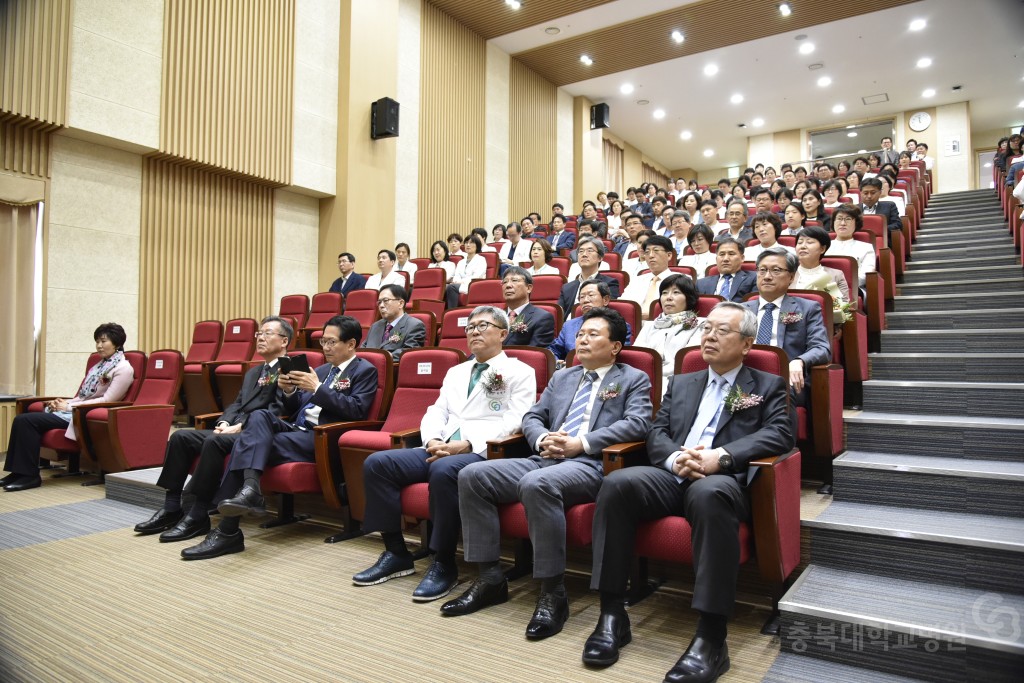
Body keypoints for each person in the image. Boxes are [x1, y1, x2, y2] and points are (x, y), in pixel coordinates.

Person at [582, 302, 793, 679]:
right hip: (672, 473)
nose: (709, 336)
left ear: (746, 344)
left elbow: (779, 434)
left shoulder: (766, 385)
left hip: (721, 479)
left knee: (708, 494)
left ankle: (712, 638)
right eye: (707, 329)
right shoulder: (682, 382)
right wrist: (674, 458)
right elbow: (656, 432)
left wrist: (722, 457)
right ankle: (612, 613)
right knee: (616, 484)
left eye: (721, 331)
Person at [442, 308, 651, 637]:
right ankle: (491, 579)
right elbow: (532, 416)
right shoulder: (563, 377)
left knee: (536, 483)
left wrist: (581, 443)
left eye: (593, 334)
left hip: (591, 465)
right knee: (472, 475)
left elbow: (639, 423)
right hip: (545, 457)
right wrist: (541, 438)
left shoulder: (632, 378)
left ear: (615, 347)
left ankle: (553, 593)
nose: (582, 338)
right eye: (581, 333)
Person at [353, 307, 536, 601]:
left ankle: (443, 561)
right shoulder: (457, 371)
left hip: (484, 450)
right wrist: (434, 440)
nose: (474, 331)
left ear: (503, 333)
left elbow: (516, 419)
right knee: (378, 463)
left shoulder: (520, 371)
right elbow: (436, 411)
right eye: (470, 327)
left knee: (444, 471)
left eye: (483, 326)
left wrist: (468, 444)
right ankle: (396, 553)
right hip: (442, 446)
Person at [181, 315, 379, 560]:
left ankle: (228, 530)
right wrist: (289, 389)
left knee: (245, 441)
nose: (325, 348)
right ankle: (250, 490)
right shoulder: (321, 370)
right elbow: (296, 406)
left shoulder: (365, 370)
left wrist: (317, 388)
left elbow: (356, 410)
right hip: (296, 429)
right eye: (323, 342)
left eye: (331, 342)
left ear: (351, 344)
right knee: (260, 416)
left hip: (321, 438)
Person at [133, 316, 289, 539]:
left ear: (284, 341)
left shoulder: (289, 369)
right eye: (259, 334)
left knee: (213, 441)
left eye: (267, 333)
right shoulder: (254, 371)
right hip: (234, 428)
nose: (261, 338)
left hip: (257, 435)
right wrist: (225, 422)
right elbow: (237, 403)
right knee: (180, 438)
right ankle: (171, 506)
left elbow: (280, 410)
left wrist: (240, 426)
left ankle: (198, 514)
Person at [2, 323, 134, 492]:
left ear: (116, 343)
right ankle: (18, 473)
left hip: (85, 415)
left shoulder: (124, 369)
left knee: (26, 421)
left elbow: (108, 400)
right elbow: (83, 395)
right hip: (76, 409)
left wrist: (69, 407)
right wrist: (63, 403)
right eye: (97, 341)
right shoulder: (99, 366)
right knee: (22, 419)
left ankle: (30, 477)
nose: (99, 345)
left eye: (103, 341)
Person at [742, 248, 832, 406]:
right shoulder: (740, 310)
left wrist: (799, 361)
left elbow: (821, 347)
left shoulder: (808, 308)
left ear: (791, 276)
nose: (767, 276)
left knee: (776, 396)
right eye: (762, 270)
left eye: (776, 270)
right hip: (743, 375)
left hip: (784, 378)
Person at [633, 275, 706, 397]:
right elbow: (638, 357)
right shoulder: (649, 325)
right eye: (664, 293)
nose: (668, 298)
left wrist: (655, 374)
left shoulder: (701, 325)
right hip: (642, 379)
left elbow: (687, 360)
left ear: (689, 298)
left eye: (676, 292)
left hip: (676, 381)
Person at [548, 280, 632, 360]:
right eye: (582, 297)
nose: (585, 300)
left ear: (605, 300)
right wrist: (557, 362)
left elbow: (621, 356)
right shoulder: (569, 325)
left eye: (591, 295)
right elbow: (554, 350)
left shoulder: (617, 325)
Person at [794, 226, 851, 323]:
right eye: (799, 242)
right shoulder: (786, 274)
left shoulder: (836, 275)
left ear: (822, 249)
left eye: (809, 242)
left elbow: (844, 308)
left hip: (823, 324)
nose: (802, 246)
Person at [559, 236, 620, 318]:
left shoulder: (609, 283)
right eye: (581, 251)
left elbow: (608, 314)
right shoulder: (567, 288)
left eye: (590, 251)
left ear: (600, 258)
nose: (584, 254)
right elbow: (559, 317)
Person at [362, 284, 426, 361]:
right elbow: (363, 351)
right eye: (379, 302)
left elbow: (407, 353)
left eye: (385, 301)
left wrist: (377, 360)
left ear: (401, 303)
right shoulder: (375, 326)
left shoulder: (415, 326)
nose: (381, 306)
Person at [620, 235, 675, 319]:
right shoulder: (637, 280)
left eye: (656, 251)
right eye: (647, 252)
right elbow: (623, 304)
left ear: (669, 255)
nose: (651, 255)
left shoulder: (679, 280)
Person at [501, 267, 555, 347]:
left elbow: (535, 355)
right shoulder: (495, 316)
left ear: (529, 288)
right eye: (505, 282)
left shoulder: (542, 317)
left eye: (514, 280)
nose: (508, 285)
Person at [826, 204, 875, 287]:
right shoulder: (822, 247)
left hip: (853, 289)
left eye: (848, 219)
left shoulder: (866, 248)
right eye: (839, 218)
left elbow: (864, 276)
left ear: (856, 224)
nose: (843, 223)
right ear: (833, 222)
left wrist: (841, 286)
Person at [696, 238, 757, 303]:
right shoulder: (700, 284)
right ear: (716, 259)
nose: (725, 259)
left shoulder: (754, 278)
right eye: (722, 254)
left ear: (742, 258)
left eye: (731, 254)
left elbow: (753, 305)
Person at [445, 235, 487, 308]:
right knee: (446, 287)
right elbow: (456, 276)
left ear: (477, 245)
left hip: (474, 286)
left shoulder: (481, 260)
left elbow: (476, 277)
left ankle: (451, 312)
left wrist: (460, 282)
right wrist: (458, 282)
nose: (468, 245)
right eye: (466, 242)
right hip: (460, 286)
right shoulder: (461, 261)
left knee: (451, 287)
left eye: (471, 243)